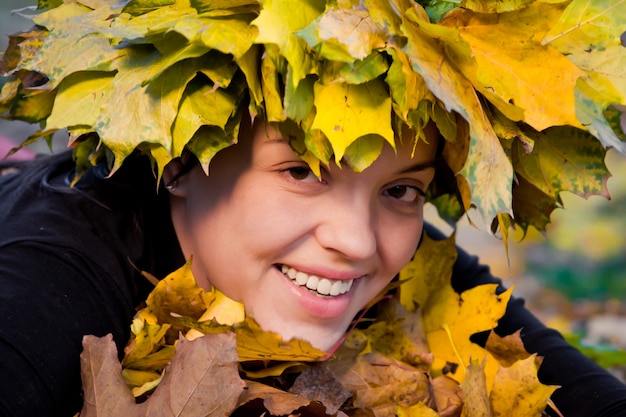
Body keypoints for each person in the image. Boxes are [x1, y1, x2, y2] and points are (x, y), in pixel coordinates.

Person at [1, 1, 625, 416]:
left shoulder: (398, 257)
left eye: (399, 190)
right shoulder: (57, 269)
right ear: (185, 161)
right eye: (300, 171)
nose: (356, 241)